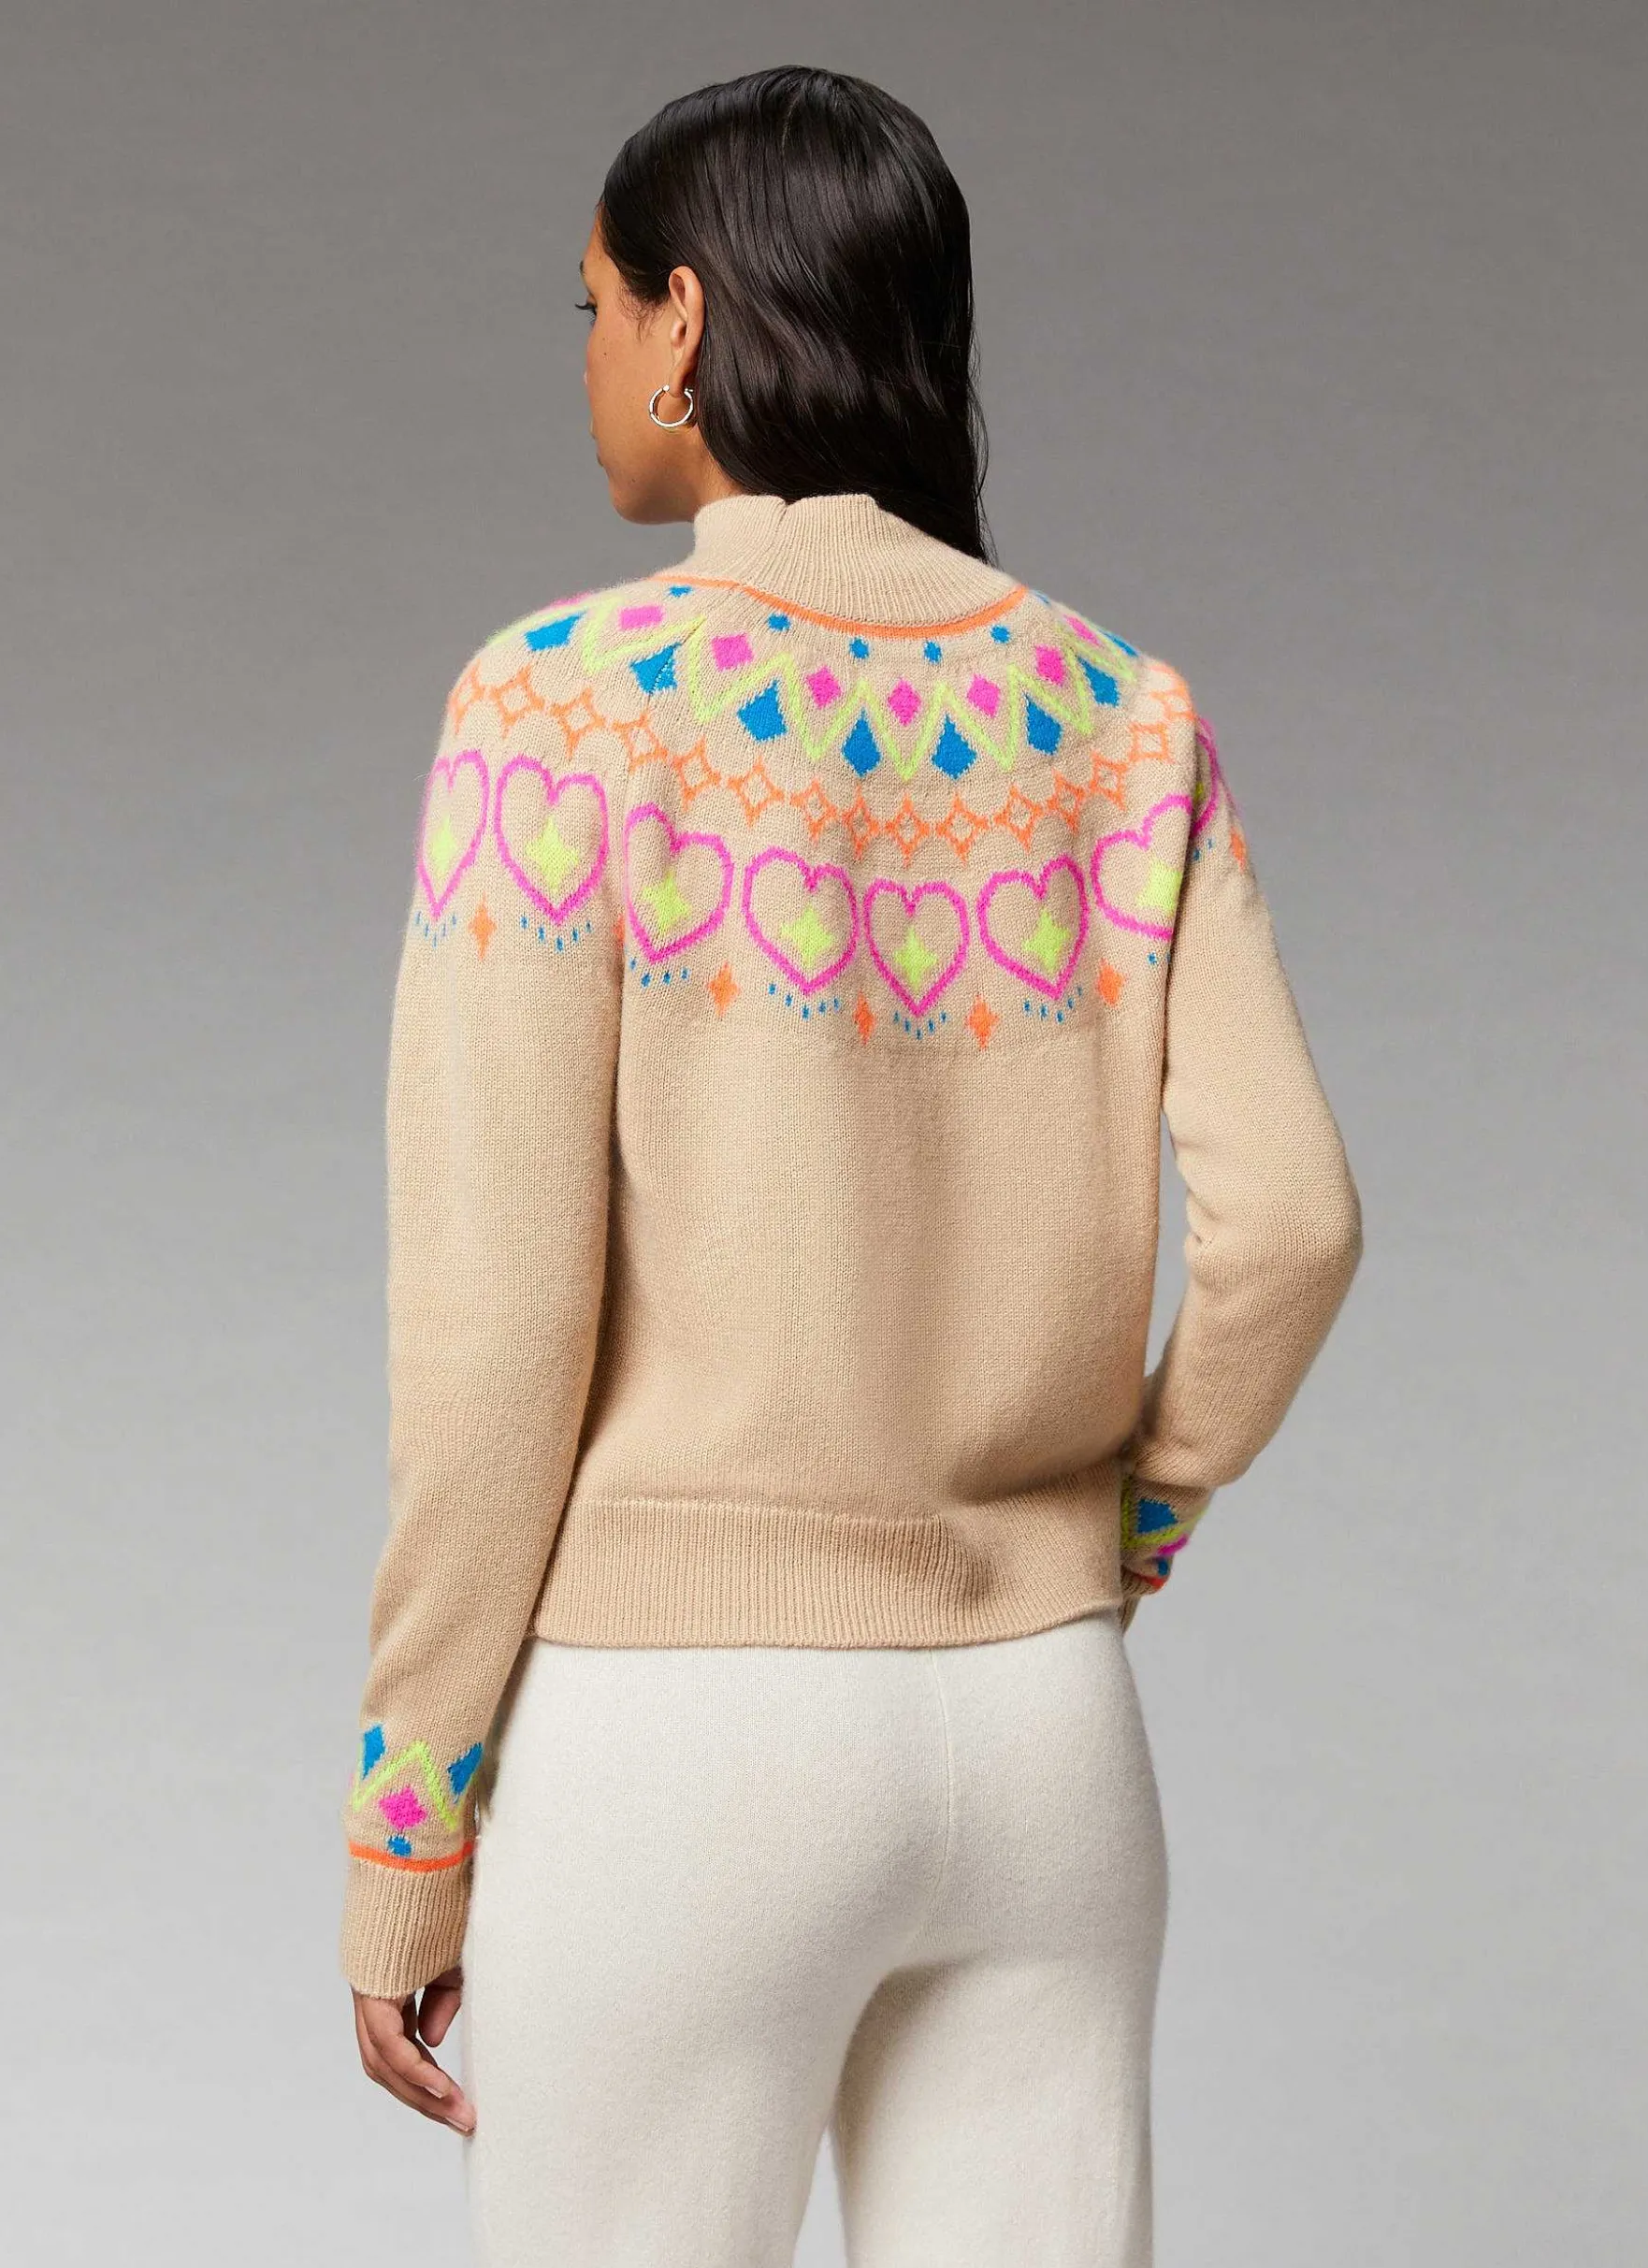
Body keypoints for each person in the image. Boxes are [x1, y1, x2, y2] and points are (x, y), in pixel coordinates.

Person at [339, 63, 1363, 2268]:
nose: (588, 354)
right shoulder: (1125, 719)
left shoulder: (561, 711)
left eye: (596, 304)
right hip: (1048, 1740)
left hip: (679, 1751)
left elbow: (496, 1335)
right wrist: (1124, 1524)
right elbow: (1293, 1225)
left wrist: (409, 1827)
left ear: (687, 327)